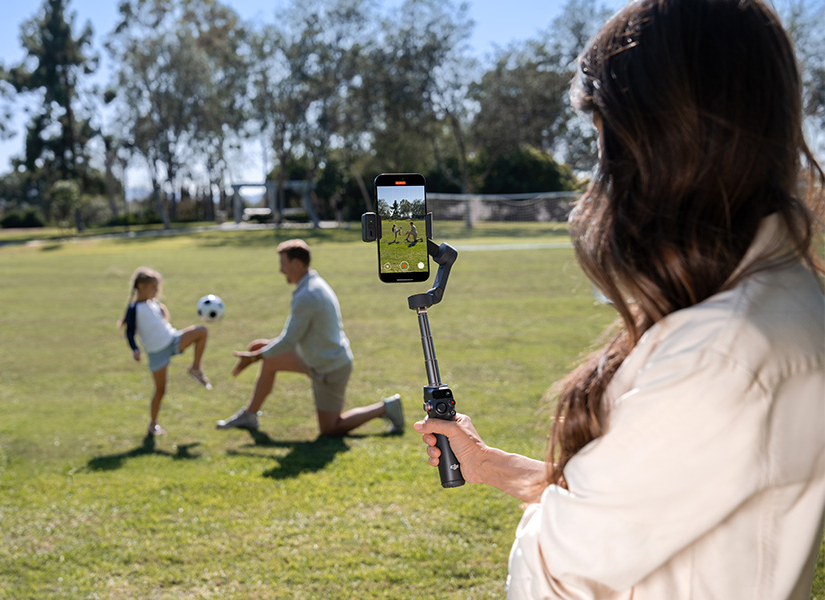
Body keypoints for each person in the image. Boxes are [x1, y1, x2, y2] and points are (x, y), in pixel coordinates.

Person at [415, 0, 825, 597]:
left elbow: (564, 568)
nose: (598, 175)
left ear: (656, 143)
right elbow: (645, 506)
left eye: (604, 140)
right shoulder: (772, 301)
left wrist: (542, 526)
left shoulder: (722, 350)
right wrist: (486, 464)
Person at [217, 239, 404, 436]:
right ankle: (250, 415)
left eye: (283, 264)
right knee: (268, 357)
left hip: (329, 367)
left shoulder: (308, 295)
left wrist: (255, 357)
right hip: (313, 356)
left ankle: (386, 408)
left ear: (296, 264)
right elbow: (294, 338)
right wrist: (263, 352)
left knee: (330, 429)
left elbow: (289, 340)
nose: (281, 270)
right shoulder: (312, 283)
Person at [121, 267, 212, 436]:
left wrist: (163, 312)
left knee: (202, 332)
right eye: (153, 288)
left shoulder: (154, 303)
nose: (156, 291)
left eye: (157, 288)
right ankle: (153, 424)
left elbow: (161, 323)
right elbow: (129, 332)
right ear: (140, 286)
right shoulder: (133, 309)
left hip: (172, 340)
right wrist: (135, 349)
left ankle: (196, 368)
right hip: (157, 353)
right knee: (161, 390)